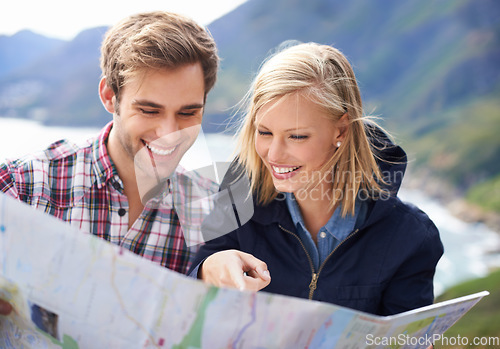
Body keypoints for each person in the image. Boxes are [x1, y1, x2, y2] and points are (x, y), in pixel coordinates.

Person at [189, 42, 444, 317]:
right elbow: (193, 301)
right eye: (264, 132)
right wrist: (208, 269)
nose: (274, 154)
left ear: (341, 130)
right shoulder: (238, 197)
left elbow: (407, 341)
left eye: (297, 136)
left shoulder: (411, 237)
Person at [0, 11, 219, 316]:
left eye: (187, 113)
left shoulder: (216, 212)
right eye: (149, 110)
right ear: (109, 96)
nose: (169, 135)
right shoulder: (21, 186)